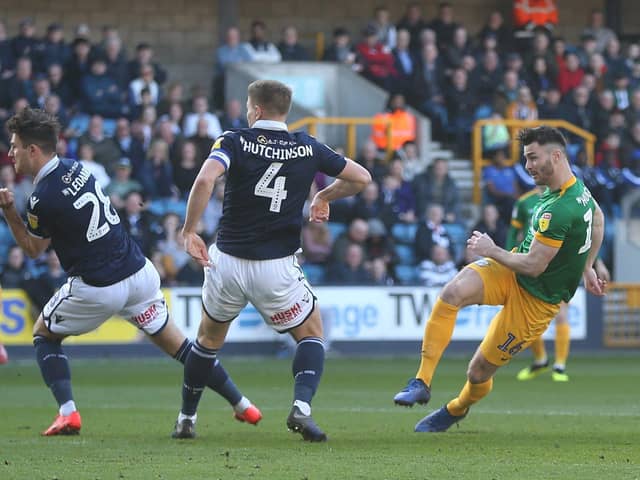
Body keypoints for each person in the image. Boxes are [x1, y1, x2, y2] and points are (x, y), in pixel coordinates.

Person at [0, 108, 261, 436]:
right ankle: (243, 404)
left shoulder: (41, 197)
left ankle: (68, 413)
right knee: (181, 347)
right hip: (139, 273)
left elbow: (34, 249)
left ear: (33, 150)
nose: (10, 153)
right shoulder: (76, 168)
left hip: (98, 287)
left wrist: (10, 211)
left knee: (44, 335)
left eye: (14, 146)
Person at [171, 79, 370, 441]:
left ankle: (186, 419)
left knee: (207, 339)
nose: (247, 112)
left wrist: (188, 231)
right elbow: (361, 177)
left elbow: (204, 180)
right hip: (275, 266)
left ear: (257, 109)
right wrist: (323, 195)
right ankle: (302, 408)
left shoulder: (234, 140)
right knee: (310, 334)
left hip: (227, 261)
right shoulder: (306, 146)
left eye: (248, 106)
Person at [392, 126, 607, 432]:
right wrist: (588, 266)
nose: (527, 165)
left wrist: (491, 249)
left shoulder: (561, 208)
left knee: (478, 372)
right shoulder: (574, 191)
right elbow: (598, 218)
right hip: (511, 271)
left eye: (533, 158)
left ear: (556, 156)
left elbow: (534, 266)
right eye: (526, 158)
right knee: (452, 292)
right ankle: (421, 381)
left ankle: (456, 408)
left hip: (537, 301)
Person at [507, 186, 611, 382]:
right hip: (532, 261)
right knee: (527, 316)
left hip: (561, 265)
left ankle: (560, 366)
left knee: (561, 314)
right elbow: (514, 232)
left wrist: (596, 262)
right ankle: (540, 360)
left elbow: (589, 229)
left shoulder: (570, 198)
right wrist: (509, 258)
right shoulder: (524, 202)